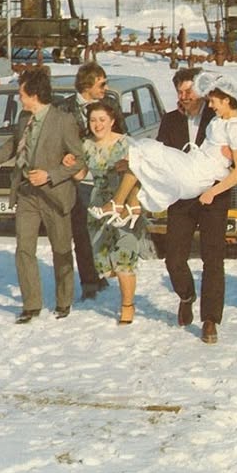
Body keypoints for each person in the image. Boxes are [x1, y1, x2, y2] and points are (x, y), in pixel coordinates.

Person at [108, 70, 237, 344]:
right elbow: (161, 158)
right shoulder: (171, 120)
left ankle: (210, 319)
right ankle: (186, 295)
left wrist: (227, 167)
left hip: (213, 196)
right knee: (174, 258)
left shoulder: (219, 115)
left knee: (213, 258)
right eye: (180, 93)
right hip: (181, 196)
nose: (184, 97)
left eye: (189, 92)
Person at [0, 66, 85, 323]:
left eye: (21, 93)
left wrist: (50, 174)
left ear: (35, 94)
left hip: (54, 194)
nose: (19, 98)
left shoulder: (63, 121)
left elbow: (80, 159)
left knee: (61, 249)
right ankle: (31, 304)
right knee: (23, 249)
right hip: (26, 193)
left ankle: (64, 301)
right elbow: (15, 143)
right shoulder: (22, 119)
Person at [76, 100, 152, 325]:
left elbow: (139, 174)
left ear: (112, 121)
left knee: (124, 258)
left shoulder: (126, 144)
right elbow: (80, 174)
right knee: (105, 261)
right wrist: (69, 162)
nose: (97, 125)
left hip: (126, 203)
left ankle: (127, 305)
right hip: (99, 203)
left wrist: (133, 203)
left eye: (102, 120)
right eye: (93, 120)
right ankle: (116, 282)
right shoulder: (86, 145)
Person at [59, 62, 123, 300]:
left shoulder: (111, 105)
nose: (105, 88)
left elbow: (122, 136)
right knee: (81, 231)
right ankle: (89, 283)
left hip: (105, 177)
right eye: (101, 83)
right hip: (77, 179)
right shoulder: (65, 108)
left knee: (103, 228)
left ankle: (102, 271)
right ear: (87, 84)